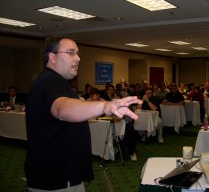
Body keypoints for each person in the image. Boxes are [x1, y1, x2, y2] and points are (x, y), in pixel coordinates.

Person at [24, 36, 141, 192]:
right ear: (52, 56)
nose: (78, 58)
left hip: (61, 175)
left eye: (78, 53)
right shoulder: (50, 82)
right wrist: (105, 106)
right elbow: (61, 108)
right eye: (71, 53)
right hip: (57, 179)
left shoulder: (55, 81)